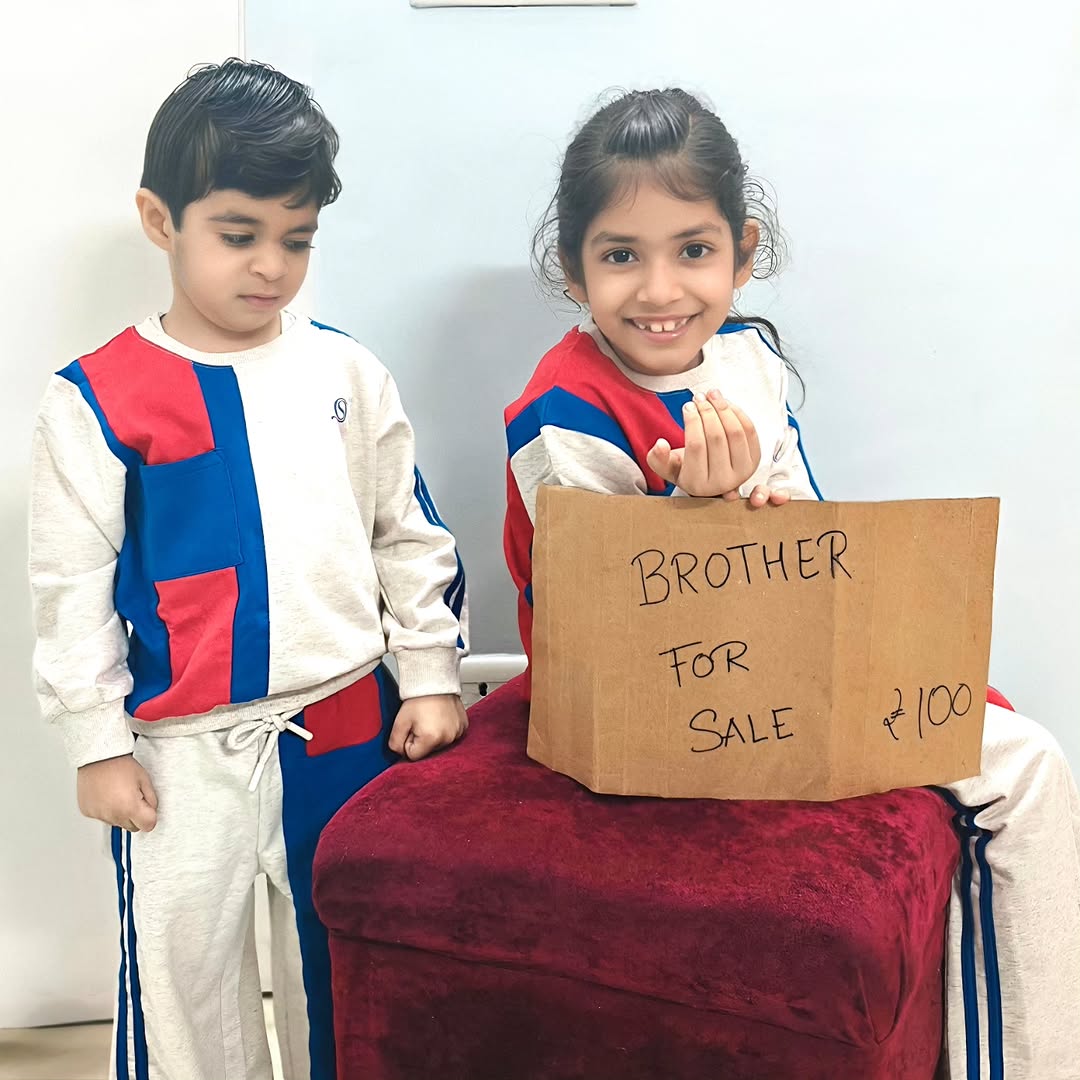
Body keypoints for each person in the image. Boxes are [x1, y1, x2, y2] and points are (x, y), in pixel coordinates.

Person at [503, 87, 1080, 1079]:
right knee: (1021, 767)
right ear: (573, 268)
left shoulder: (746, 362)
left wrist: (774, 515)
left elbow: (808, 540)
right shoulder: (561, 411)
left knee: (985, 712)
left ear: (743, 252)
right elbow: (612, 630)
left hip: (779, 657)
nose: (659, 290)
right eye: (621, 255)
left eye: (693, 250)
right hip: (663, 701)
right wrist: (694, 508)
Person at [29, 58, 468, 1080]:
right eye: (239, 235)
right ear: (160, 220)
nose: (271, 266)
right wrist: (97, 743)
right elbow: (70, 590)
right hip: (181, 755)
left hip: (344, 724)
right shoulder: (94, 400)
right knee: (182, 990)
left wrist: (431, 674)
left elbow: (407, 534)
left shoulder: (347, 372)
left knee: (346, 972)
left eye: (296, 239)